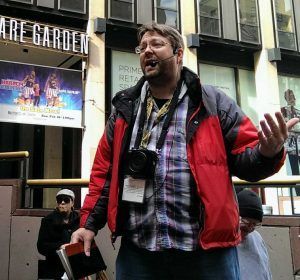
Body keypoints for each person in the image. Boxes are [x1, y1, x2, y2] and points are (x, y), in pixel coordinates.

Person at [71, 23, 298, 279]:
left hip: (206, 255)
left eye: (156, 44)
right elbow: (104, 173)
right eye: (142, 47)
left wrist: (268, 152)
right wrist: (88, 224)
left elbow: (248, 160)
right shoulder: (126, 109)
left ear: (179, 54)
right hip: (139, 253)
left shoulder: (213, 103)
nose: (147, 51)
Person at [37, 189, 79, 279]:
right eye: (60, 200)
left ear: (72, 203)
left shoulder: (79, 220)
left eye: (66, 200)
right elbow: (41, 246)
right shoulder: (48, 221)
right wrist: (60, 247)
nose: (62, 202)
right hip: (54, 268)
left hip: (76, 267)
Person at [237, 189, 272, 279]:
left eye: (255, 224)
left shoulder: (256, 238)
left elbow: (265, 272)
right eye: (247, 222)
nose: (250, 228)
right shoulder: (224, 238)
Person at [281, 89, 300, 195]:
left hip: (299, 143)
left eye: (294, 97)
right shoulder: (282, 111)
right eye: (291, 97)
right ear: (287, 98)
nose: (293, 99)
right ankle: (298, 195)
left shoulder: (297, 111)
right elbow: (284, 125)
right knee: (295, 170)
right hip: (291, 146)